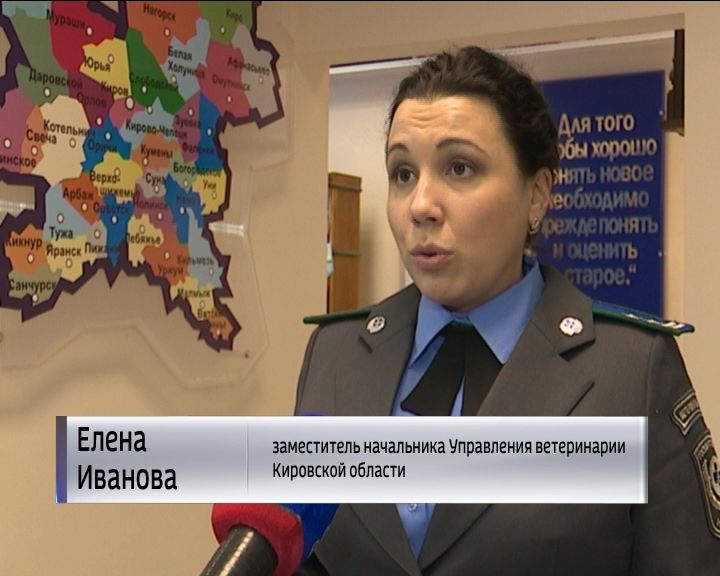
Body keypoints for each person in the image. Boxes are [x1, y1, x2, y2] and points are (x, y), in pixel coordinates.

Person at [295, 46, 720, 575]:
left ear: (537, 195)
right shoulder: (336, 353)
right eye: (403, 173)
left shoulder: (632, 370)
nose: (421, 205)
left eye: (459, 168)